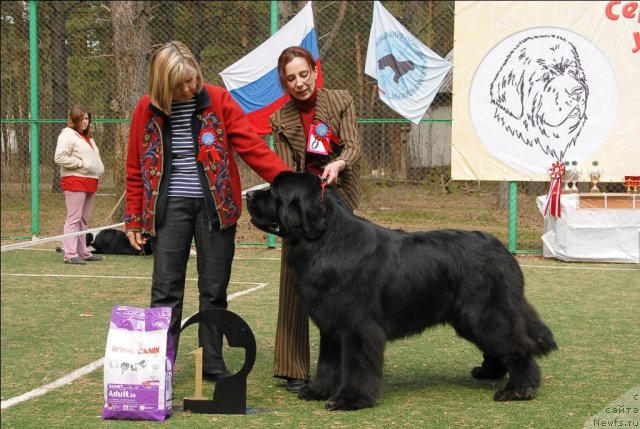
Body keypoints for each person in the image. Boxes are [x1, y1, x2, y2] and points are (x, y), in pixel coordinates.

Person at [124, 41, 290, 381]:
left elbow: (250, 145)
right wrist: (134, 219)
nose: (190, 87)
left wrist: (288, 181)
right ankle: (159, 365)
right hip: (168, 208)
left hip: (217, 207)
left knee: (214, 289)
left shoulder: (217, 99)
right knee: (166, 289)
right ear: (163, 85)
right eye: (180, 84)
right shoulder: (146, 109)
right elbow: (135, 167)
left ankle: (212, 361)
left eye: (193, 79)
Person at [270, 46, 362, 392]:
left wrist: (337, 164)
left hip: (339, 197)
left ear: (314, 70)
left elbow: (353, 145)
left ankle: (340, 365)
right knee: (293, 274)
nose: (299, 83)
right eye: (291, 78)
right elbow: (284, 170)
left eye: (303, 74)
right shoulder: (280, 119)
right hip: (302, 202)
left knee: (341, 284)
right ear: (285, 82)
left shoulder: (339, 101)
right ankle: (292, 366)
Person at [54, 105, 105, 265]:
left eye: (87, 118)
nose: (85, 121)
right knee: (74, 218)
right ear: (74, 120)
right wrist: (81, 163)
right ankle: (69, 254)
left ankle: (83, 251)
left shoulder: (87, 137)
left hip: (90, 181)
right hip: (75, 181)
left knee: (83, 219)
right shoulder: (67, 135)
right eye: (82, 118)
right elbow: (60, 157)